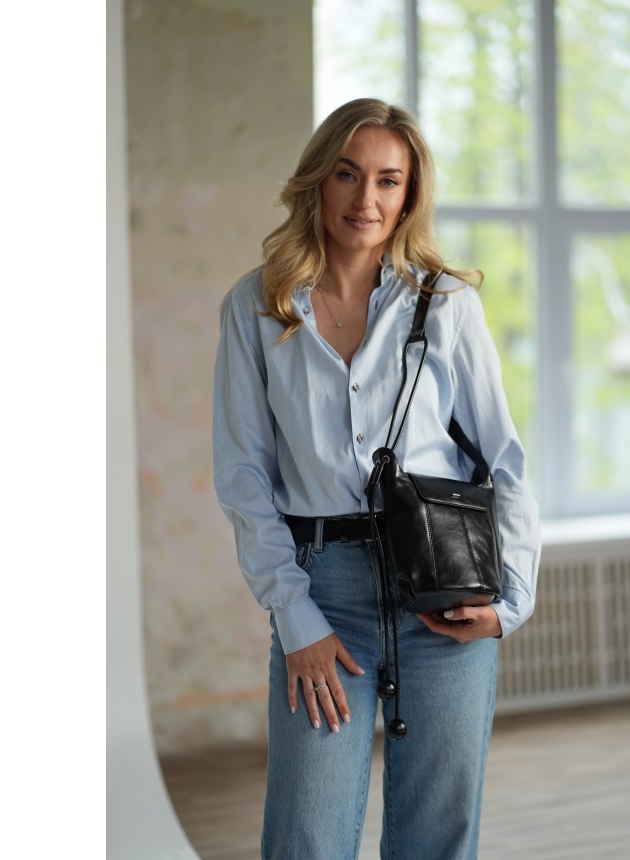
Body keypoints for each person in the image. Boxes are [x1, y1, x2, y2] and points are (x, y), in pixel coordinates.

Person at [213, 97, 540, 859]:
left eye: (389, 180)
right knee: (306, 836)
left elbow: (504, 460)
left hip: (443, 588)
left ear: (409, 193)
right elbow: (243, 474)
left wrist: (511, 602)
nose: (367, 199)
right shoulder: (257, 306)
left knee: (437, 837)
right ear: (317, 182)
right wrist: (296, 618)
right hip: (322, 590)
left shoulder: (447, 304)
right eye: (348, 175)